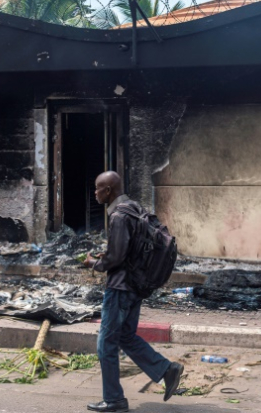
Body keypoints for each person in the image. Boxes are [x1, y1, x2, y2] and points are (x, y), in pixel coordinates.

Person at [83, 170, 183, 412]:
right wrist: (107, 256)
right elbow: (129, 250)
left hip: (119, 289)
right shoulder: (135, 208)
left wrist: (94, 264)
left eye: (97, 188)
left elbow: (117, 257)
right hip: (136, 286)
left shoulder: (118, 216)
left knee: (105, 345)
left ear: (108, 191)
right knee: (125, 337)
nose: (95, 193)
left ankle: (114, 399)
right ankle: (166, 370)